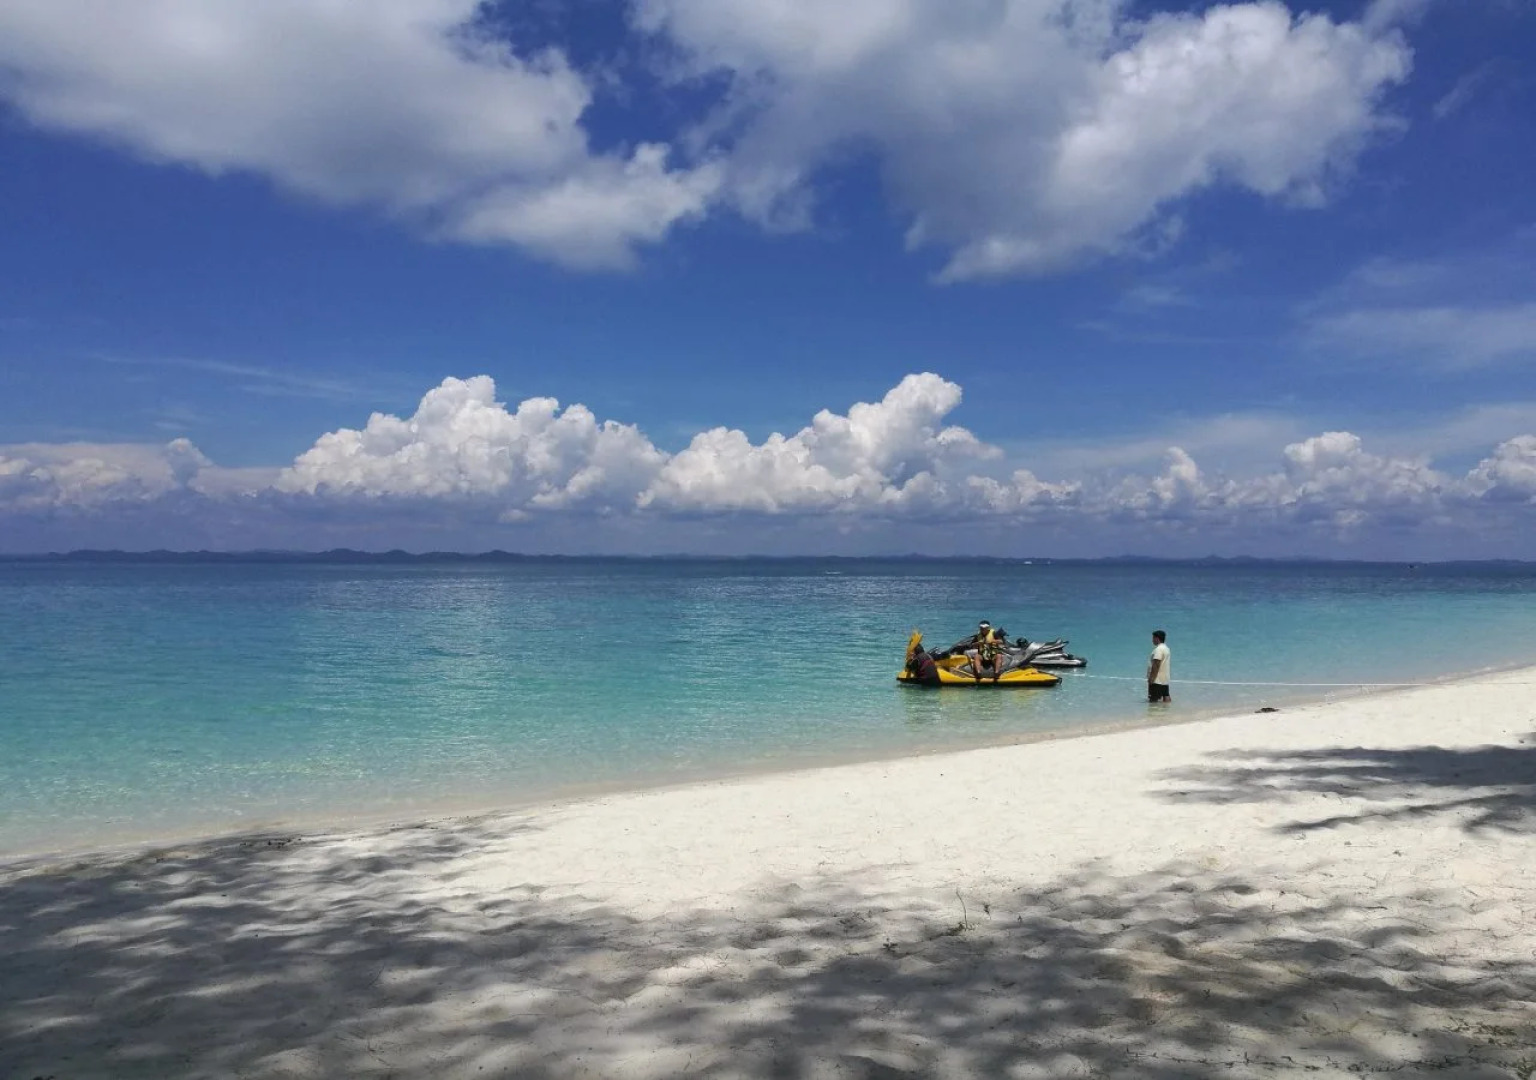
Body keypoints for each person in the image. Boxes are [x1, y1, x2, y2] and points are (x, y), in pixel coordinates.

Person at [1147, 629, 1171, 702]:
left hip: (1157, 681)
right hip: (1164, 680)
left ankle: (1154, 714)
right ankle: (1168, 712)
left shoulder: (1158, 649)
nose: (1152, 640)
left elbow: (1156, 665)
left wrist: (1151, 679)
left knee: (1153, 702)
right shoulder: (1166, 649)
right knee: (1166, 698)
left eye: (1153, 638)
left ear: (1157, 638)